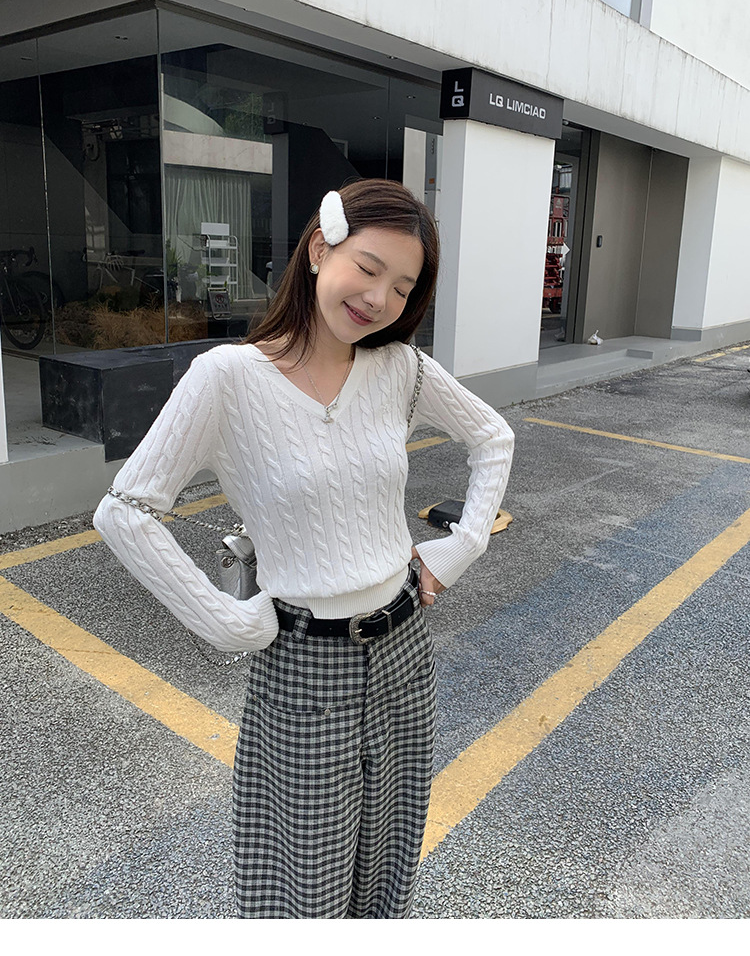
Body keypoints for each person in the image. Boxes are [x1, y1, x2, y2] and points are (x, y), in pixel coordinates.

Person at [93, 178, 514, 919]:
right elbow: (126, 511)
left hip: (404, 650)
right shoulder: (229, 377)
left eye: (403, 287)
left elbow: (492, 436)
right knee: (303, 887)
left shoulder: (401, 369)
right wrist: (225, 622)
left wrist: (459, 548)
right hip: (303, 666)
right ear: (321, 248)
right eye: (369, 268)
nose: (379, 299)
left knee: (389, 866)